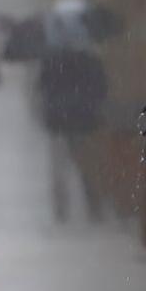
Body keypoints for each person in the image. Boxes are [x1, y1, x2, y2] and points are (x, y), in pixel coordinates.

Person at [34, 20, 111, 223]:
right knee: (87, 164)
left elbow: (41, 87)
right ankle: (93, 205)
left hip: (58, 121)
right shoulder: (91, 60)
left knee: (59, 166)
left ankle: (61, 208)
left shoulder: (50, 60)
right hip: (85, 120)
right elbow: (102, 88)